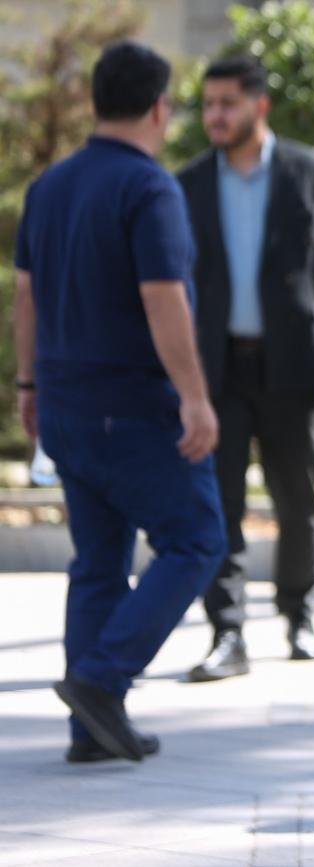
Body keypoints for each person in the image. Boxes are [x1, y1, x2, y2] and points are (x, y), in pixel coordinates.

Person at [13, 41, 226, 763]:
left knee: (99, 560)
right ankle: (102, 681)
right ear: (159, 108)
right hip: (133, 406)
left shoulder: (49, 185)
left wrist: (27, 385)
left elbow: (25, 295)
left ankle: (91, 733)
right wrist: (195, 398)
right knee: (197, 538)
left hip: (65, 406)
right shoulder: (149, 187)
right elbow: (163, 297)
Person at [177, 55, 314, 681]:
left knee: (297, 500)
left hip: (293, 368)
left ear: (259, 105)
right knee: (217, 504)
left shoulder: (311, 171)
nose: (215, 116)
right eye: (208, 104)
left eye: (227, 103)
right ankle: (226, 632)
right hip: (216, 370)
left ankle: (298, 612)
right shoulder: (189, 182)